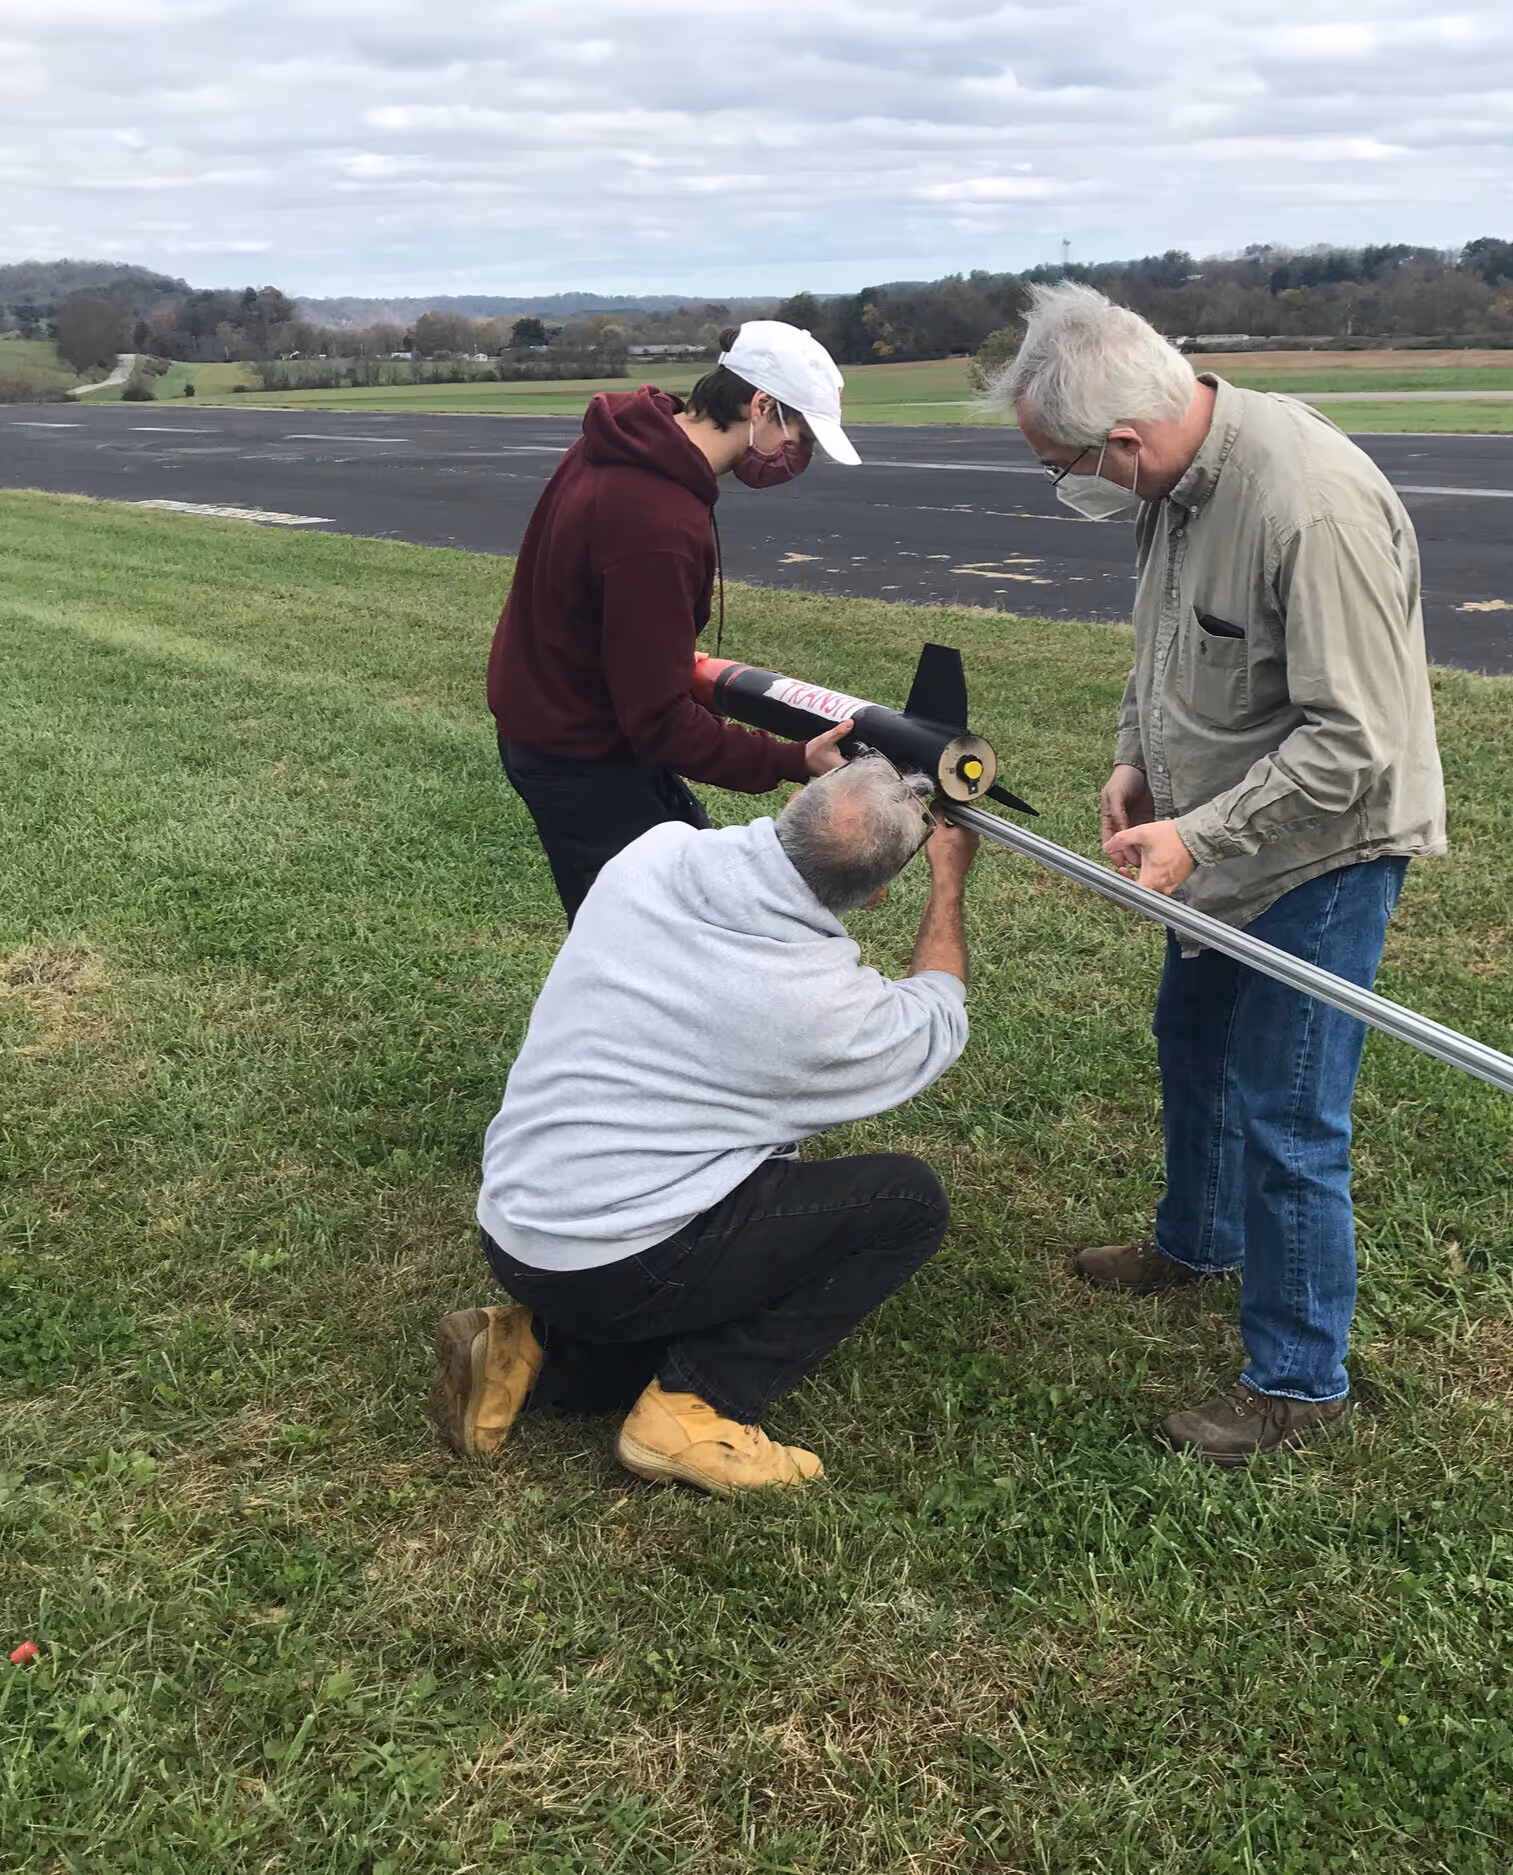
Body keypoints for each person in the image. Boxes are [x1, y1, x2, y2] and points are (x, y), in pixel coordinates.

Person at [986, 283, 1447, 1461]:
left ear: (1122, 441)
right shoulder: (1173, 488)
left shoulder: (1310, 507)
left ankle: (1298, 1382)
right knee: (1193, 1041)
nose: (1063, 485)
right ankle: (1197, 1240)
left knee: (1289, 1110)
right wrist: (1137, 760)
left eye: (1060, 467)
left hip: (1322, 850)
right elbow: (1163, 644)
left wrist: (1200, 836)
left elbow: (1358, 742)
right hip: (1223, 835)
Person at [430, 757, 980, 1495]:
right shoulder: (823, 1009)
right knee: (907, 1201)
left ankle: (528, 1351)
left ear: (795, 803)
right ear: (878, 894)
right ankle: (700, 1409)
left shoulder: (651, 854)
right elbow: (939, 1013)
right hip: (614, 1262)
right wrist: (948, 882)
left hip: (516, 1226)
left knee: (698, 1272)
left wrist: (840, 785)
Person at [487, 321, 863, 923]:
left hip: (566, 728)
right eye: (802, 434)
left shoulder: (623, 444)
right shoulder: (657, 521)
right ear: (760, 407)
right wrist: (793, 761)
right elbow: (659, 724)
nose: (802, 456)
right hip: (582, 754)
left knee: (678, 879)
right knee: (646, 935)